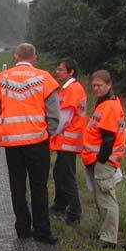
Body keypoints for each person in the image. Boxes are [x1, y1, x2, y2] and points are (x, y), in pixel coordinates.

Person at [0, 43, 60, 243]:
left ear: (16, 57)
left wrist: (3, 127)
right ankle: (42, 230)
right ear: (34, 58)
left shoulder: (2, 78)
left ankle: (22, 228)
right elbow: (54, 113)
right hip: (38, 141)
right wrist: (49, 133)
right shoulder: (44, 77)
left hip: (12, 143)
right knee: (39, 186)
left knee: (17, 186)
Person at [82, 70, 126, 248]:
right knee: (102, 197)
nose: (96, 89)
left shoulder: (109, 106)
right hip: (101, 159)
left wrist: (101, 159)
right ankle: (105, 233)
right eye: (93, 85)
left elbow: (108, 137)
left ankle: (109, 239)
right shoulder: (106, 103)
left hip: (104, 160)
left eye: (99, 85)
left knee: (107, 198)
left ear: (109, 85)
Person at [49, 58, 88, 225]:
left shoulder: (73, 90)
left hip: (68, 142)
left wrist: (49, 134)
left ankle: (74, 213)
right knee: (60, 173)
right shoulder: (68, 89)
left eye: (61, 70)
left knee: (67, 177)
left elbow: (63, 119)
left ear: (71, 72)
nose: (57, 72)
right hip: (66, 142)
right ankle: (60, 205)